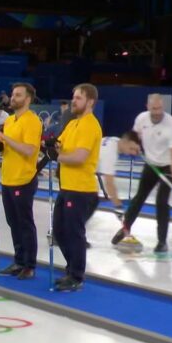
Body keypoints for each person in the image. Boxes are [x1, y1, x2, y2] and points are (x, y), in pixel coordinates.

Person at [113, 94, 172, 253]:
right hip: (151, 163)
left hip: (168, 166)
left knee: (161, 202)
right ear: (147, 107)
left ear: (163, 107)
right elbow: (135, 136)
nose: (157, 112)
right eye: (153, 109)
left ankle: (162, 241)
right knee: (139, 198)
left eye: (159, 109)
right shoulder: (141, 119)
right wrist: (134, 146)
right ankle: (125, 229)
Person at [51, 84, 104, 292]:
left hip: (81, 189)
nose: (74, 101)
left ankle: (76, 275)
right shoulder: (73, 124)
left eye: (78, 98)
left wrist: (58, 156)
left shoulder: (90, 125)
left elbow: (80, 157)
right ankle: (71, 268)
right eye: (73, 97)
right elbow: (59, 144)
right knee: (59, 231)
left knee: (74, 233)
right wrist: (53, 146)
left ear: (90, 102)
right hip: (67, 187)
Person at [0, 82, 42, 280]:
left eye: (18, 95)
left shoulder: (32, 121)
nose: (13, 98)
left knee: (25, 223)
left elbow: (29, 150)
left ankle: (29, 265)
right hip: (8, 177)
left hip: (23, 179)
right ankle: (19, 260)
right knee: (13, 222)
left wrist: (6, 139)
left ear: (27, 99)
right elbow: (9, 149)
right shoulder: (10, 120)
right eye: (13, 94)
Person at [97, 130, 142, 220]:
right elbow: (109, 183)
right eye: (131, 148)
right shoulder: (110, 153)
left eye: (135, 150)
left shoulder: (115, 141)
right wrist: (118, 206)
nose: (133, 153)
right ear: (125, 141)